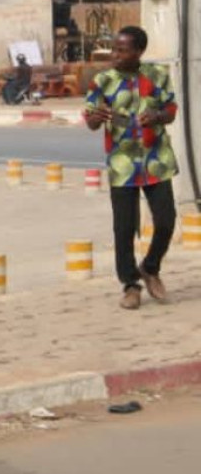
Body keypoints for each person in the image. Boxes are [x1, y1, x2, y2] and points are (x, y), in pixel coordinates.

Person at [84, 25, 178, 311]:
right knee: (124, 228)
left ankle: (150, 266)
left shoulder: (157, 76)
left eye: (122, 50)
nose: (115, 54)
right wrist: (96, 118)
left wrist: (158, 115)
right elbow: (91, 121)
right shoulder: (102, 81)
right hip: (122, 162)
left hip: (156, 160)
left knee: (165, 220)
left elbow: (171, 111)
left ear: (139, 52)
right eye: (114, 48)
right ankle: (130, 284)